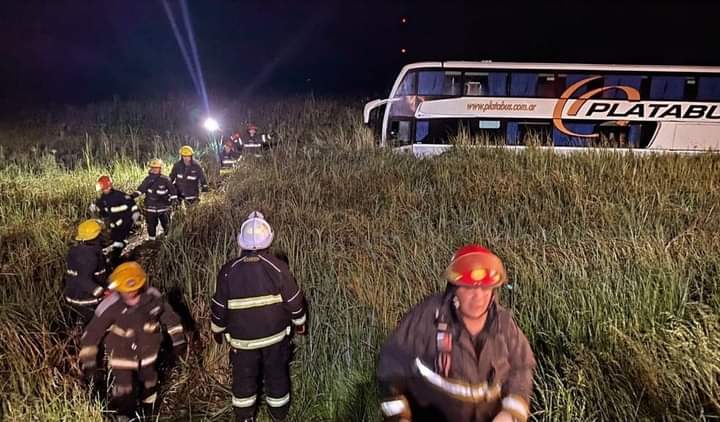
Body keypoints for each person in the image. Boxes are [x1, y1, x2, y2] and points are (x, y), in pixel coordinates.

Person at [377, 245, 536, 422]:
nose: (478, 297)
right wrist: (399, 416)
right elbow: (391, 366)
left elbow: (521, 368)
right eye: (469, 288)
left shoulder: (503, 325)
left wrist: (510, 413)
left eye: (485, 288)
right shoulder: (427, 318)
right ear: (454, 288)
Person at [210, 211, 307, 422]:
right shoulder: (278, 267)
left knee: (243, 380)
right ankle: (278, 415)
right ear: (268, 240)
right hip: (275, 338)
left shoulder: (228, 271)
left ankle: (245, 417)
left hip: (242, 342)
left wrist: (217, 330)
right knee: (277, 376)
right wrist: (300, 324)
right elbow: (295, 302)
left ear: (241, 242)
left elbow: (218, 306)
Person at [79, 261, 186, 420]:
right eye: (126, 291)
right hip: (122, 356)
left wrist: (178, 341)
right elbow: (91, 335)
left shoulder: (153, 297)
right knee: (124, 390)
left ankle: (149, 412)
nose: (131, 294)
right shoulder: (110, 306)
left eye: (135, 289)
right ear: (118, 289)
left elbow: (170, 318)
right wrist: (90, 364)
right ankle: (125, 415)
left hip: (149, 353)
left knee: (150, 382)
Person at [64, 219, 108, 324]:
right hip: (86, 300)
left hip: (72, 295)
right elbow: (83, 280)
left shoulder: (75, 250)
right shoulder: (91, 256)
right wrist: (101, 291)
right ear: (96, 237)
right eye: (100, 233)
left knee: (76, 323)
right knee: (92, 324)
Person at [90, 175, 139, 266]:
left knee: (118, 242)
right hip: (114, 224)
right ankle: (122, 244)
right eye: (103, 189)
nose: (104, 191)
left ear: (109, 186)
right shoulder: (103, 198)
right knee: (115, 238)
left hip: (124, 222)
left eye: (105, 189)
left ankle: (115, 262)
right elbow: (102, 211)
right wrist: (95, 207)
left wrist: (135, 213)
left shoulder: (120, 195)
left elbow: (131, 203)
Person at [133, 159, 178, 240]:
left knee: (166, 224)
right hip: (150, 207)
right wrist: (133, 196)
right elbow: (141, 189)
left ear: (160, 168)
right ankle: (151, 241)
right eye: (153, 167)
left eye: (156, 168)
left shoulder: (166, 180)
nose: (154, 169)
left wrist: (173, 203)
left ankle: (167, 240)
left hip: (164, 208)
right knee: (151, 225)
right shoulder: (147, 179)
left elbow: (173, 192)